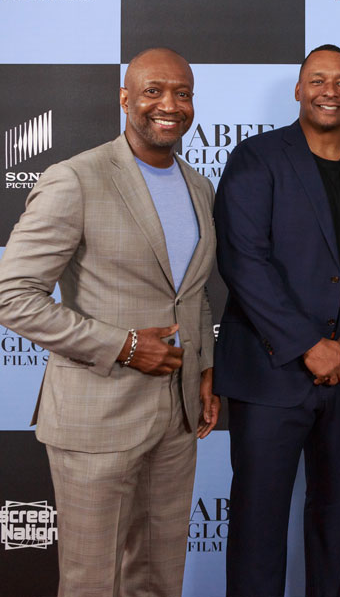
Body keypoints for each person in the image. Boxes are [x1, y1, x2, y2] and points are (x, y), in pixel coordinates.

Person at [0, 47, 219, 596]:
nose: (170, 105)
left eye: (183, 93)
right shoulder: (75, 178)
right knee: (92, 582)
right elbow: (12, 295)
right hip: (96, 418)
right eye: (153, 91)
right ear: (125, 99)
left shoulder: (199, 187)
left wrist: (204, 370)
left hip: (176, 418)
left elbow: (192, 293)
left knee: (160, 579)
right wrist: (122, 346)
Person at [214, 44, 340, 597]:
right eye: (318, 80)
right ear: (298, 90)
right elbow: (242, 260)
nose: (330, 91)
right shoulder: (255, 158)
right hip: (270, 377)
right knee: (257, 528)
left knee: (337, 528)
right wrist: (306, 344)